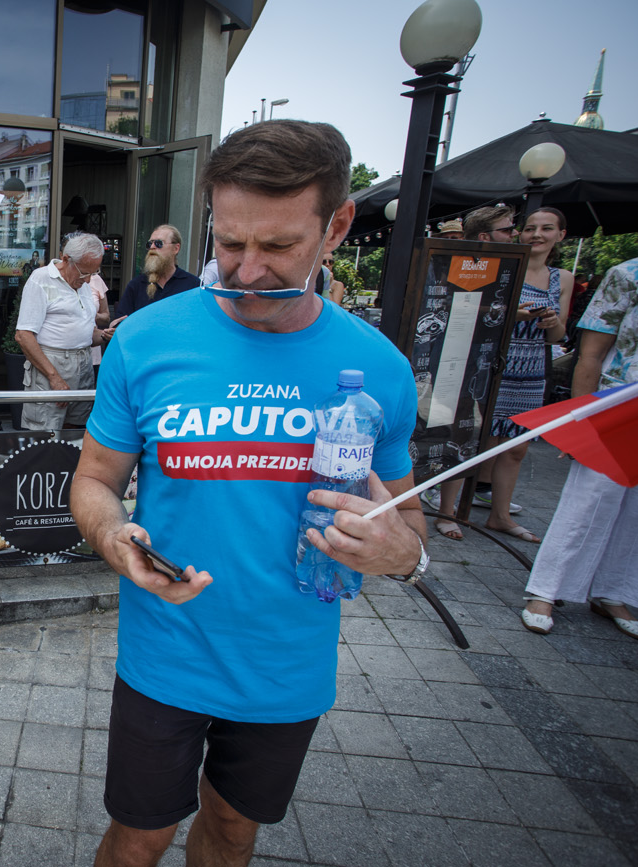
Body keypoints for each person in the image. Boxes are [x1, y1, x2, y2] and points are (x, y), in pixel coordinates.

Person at [71, 119, 425, 867]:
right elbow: (96, 478)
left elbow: (409, 521)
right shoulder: (146, 338)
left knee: (234, 830)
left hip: (286, 661)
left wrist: (402, 553)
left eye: (277, 248)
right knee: (139, 836)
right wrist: (113, 536)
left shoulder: (379, 369)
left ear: (336, 227)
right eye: (230, 243)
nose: (247, 270)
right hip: (166, 648)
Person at [431, 207, 573, 542]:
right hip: (489, 361)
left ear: (560, 235)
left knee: (515, 447)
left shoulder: (561, 278)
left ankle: (500, 515)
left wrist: (551, 324)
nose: (535, 234)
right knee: (470, 437)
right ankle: (447, 511)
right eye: (528, 228)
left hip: (531, 367)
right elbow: (466, 311)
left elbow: (558, 337)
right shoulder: (504, 268)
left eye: (547, 228)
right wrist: (514, 316)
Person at [520, 257, 638, 637]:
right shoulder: (627, 274)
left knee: (634, 510)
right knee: (591, 498)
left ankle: (613, 591)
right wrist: (583, 420)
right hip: (619, 404)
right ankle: (546, 589)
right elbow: (590, 354)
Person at [14, 232, 103, 430]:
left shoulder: (82, 284)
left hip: (84, 363)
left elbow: (84, 332)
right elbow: (23, 335)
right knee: (47, 431)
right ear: (65, 259)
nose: (88, 280)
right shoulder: (42, 278)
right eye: (84, 273)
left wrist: (104, 335)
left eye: (94, 273)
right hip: (52, 363)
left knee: (78, 430)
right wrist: (54, 377)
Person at [112, 224, 199, 319]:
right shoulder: (136, 285)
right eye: (149, 244)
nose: (152, 247)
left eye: (159, 243)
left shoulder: (193, 285)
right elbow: (121, 322)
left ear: (176, 248)